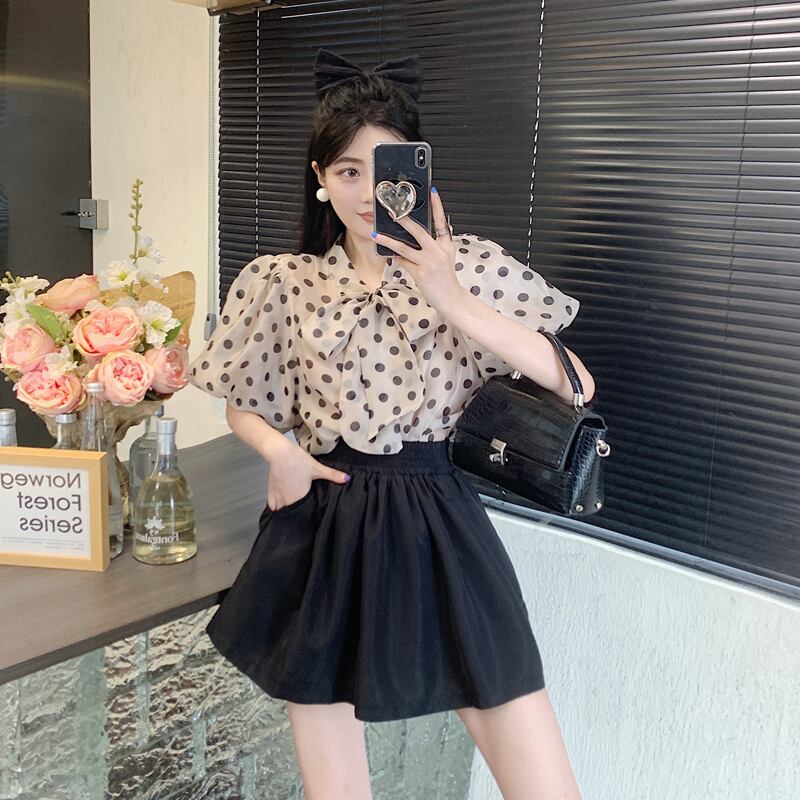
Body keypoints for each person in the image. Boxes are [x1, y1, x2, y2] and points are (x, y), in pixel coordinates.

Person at [188, 47, 591, 800]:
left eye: (386, 169)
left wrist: (449, 294)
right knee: (336, 789)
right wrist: (280, 452)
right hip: (325, 520)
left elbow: (573, 381)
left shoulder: (469, 266)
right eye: (347, 170)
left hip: (441, 520)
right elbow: (242, 399)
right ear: (320, 177)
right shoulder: (284, 281)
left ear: (419, 173)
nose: (369, 191)